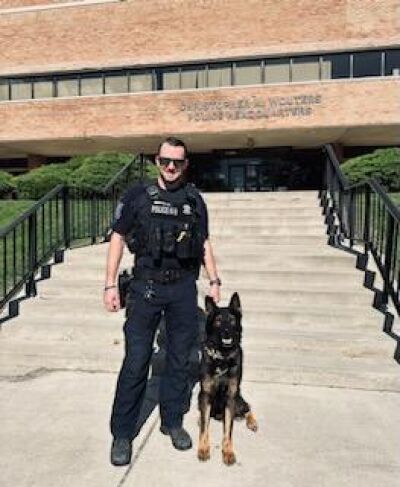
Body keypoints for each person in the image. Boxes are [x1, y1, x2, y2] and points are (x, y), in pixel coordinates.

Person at [103, 137, 221, 466]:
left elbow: (204, 242)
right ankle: (122, 433)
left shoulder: (195, 200)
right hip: (145, 290)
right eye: (166, 161)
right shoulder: (137, 196)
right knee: (137, 360)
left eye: (178, 162)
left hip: (183, 288)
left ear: (186, 164)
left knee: (180, 360)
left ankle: (172, 422)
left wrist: (214, 280)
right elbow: (118, 237)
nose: (171, 167)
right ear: (157, 160)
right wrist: (109, 284)